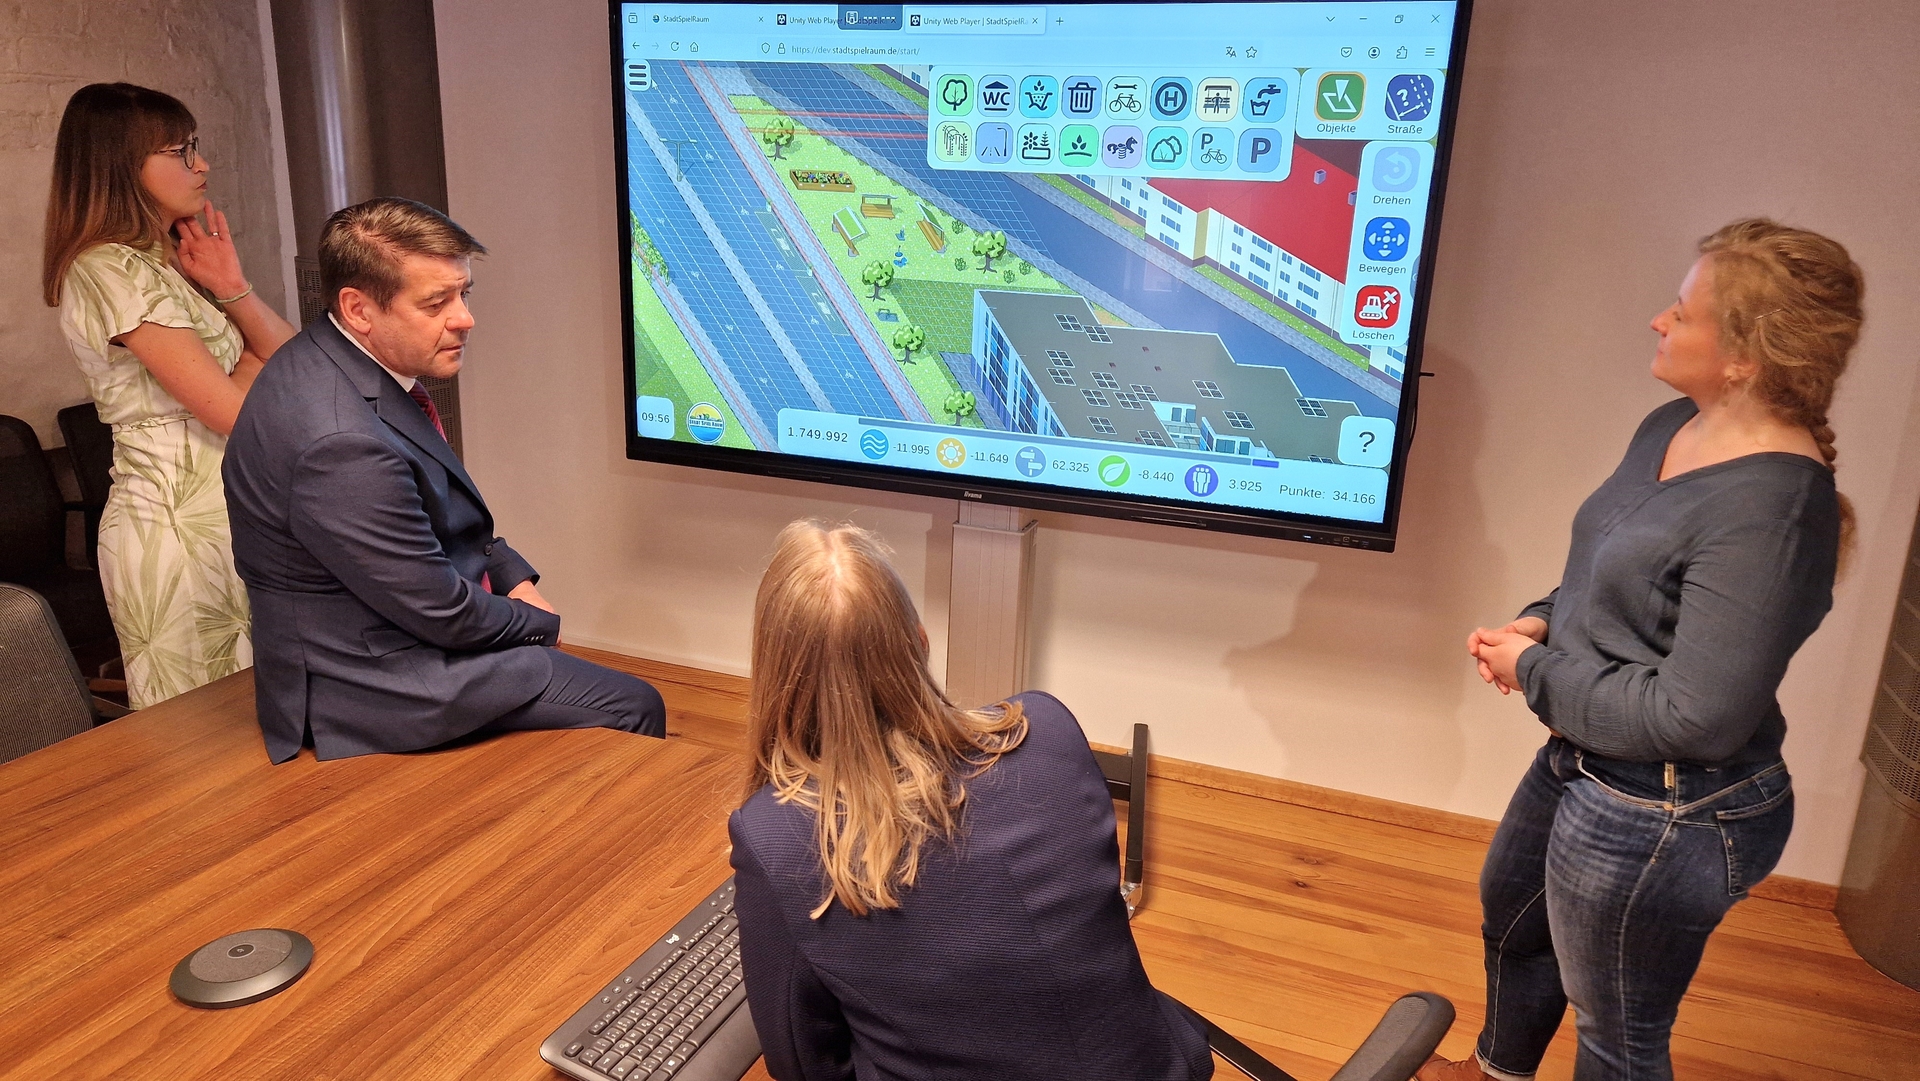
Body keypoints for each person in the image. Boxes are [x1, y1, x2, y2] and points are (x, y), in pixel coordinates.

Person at [1426, 220, 1864, 1081]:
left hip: (1670, 806)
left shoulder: (1775, 512)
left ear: (1744, 355)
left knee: (1616, 1034)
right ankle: (1495, 1073)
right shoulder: (1674, 422)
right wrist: (1540, 621)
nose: (1659, 320)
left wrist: (1534, 672)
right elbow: (1608, 569)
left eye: (1683, 312)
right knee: (1515, 921)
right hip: (1586, 757)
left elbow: (1696, 717)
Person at [728, 520, 1213, 1081]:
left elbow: (803, 1064)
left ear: (773, 679)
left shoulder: (773, 838)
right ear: (920, 642)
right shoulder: (1047, 727)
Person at [221, 197, 663, 761]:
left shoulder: (333, 356)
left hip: (396, 631)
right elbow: (441, 612)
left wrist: (509, 576)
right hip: (372, 680)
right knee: (636, 704)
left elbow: (446, 516)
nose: (464, 319)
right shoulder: (340, 442)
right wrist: (537, 625)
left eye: (463, 294)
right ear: (358, 309)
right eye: (436, 303)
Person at [41, 83, 297, 708]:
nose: (201, 165)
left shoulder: (162, 264)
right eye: (181, 151)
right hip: (175, 531)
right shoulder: (107, 267)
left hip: (226, 514)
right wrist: (250, 363)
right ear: (121, 164)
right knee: (201, 735)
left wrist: (232, 287)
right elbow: (232, 412)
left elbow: (294, 363)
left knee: (262, 716)